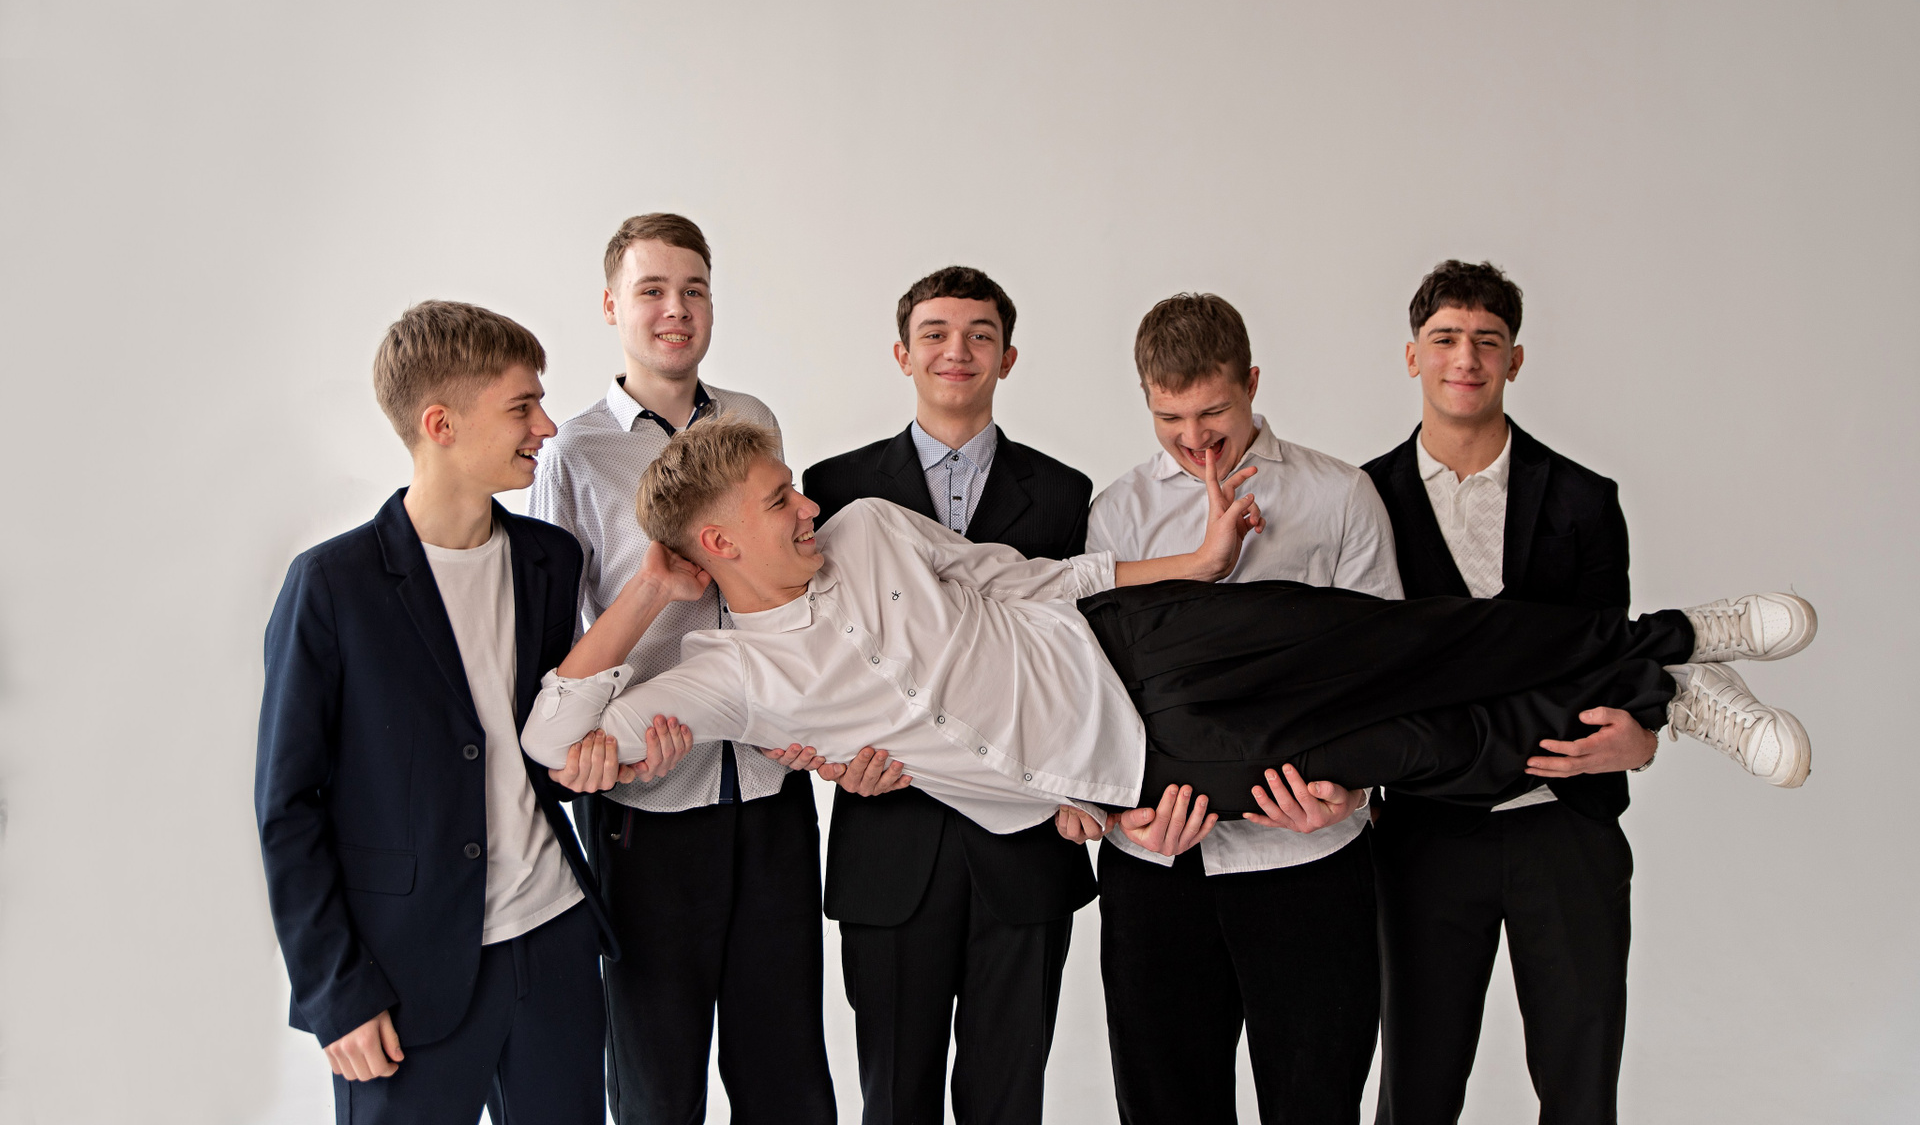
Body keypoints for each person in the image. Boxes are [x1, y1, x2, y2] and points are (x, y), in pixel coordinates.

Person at [518, 416, 1815, 864]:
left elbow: (1031, 574)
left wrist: (1188, 565)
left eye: (794, 485)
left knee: (1413, 641)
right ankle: (1669, 694)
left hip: (1142, 638)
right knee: (1420, 749)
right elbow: (554, 739)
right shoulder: (729, 680)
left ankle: (1673, 637)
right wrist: (648, 595)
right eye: (775, 502)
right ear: (719, 543)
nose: (806, 502)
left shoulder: (864, 526)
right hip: (1151, 766)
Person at [1359, 261, 1749, 1125]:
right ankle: (1691, 656)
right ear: (1413, 355)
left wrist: (1641, 734)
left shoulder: (1583, 499)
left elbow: (1602, 657)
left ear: (1516, 359)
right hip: (1426, 832)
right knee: (1415, 1092)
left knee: (1580, 1092)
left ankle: (1690, 676)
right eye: (1445, 339)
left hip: (1564, 828)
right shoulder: (1361, 500)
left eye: (1487, 341)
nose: (1466, 358)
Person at [256, 301, 648, 1125]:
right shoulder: (331, 587)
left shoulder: (550, 559)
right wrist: (336, 992)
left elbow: (536, 744)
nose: (546, 426)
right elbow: (289, 807)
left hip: (555, 944)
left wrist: (590, 762)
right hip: (404, 973)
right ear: (440, 424)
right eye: (521, 407)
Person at [527, 214, 836, 1125]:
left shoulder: (753, 421)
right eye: (653, 290)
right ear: (611, 305)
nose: (676, 309)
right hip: (646, 803)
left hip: (772, 788)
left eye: (693, 290)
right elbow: (556, 645)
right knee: (658, 1088)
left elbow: (787, 581)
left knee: (788, 1079)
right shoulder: (574, 452)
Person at [1082, 292, 1403, 1124]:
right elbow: (1091, 687)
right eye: (1169, 418)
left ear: (1252, 383)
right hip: (1159, 868)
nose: (1194, 438)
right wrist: (1117, 816)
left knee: (1316, 1106)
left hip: (1308, 861)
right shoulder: (1117, 511)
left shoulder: (1341, 496)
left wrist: (1352, 793)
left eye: (1213, 412)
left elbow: (1383, 674)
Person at [803, 267, 1096, 1125]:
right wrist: (832, 758)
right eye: (934, 333)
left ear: (1008, 357)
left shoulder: (1066, 493)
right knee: (895, 1101)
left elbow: (1079, 660)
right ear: (903, 354)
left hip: (1027, 849)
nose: (956, 351)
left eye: (979, 335)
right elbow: (814, 651)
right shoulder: (834, 486)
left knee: (1009, 1105)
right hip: (889, 840)